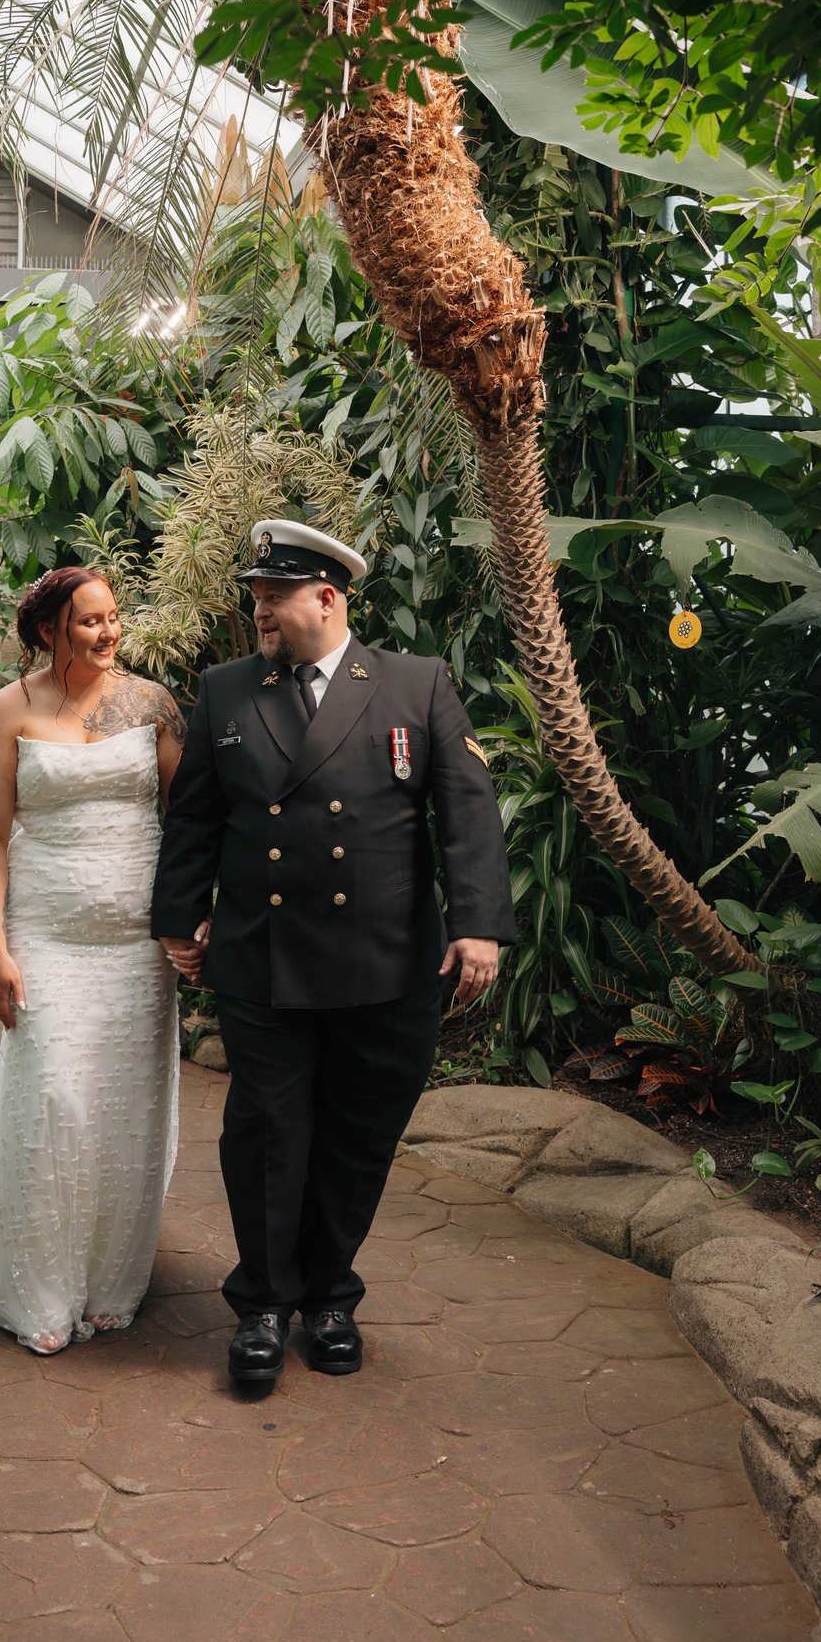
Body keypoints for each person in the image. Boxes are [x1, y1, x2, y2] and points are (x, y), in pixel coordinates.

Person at [151, 518, 516, 1389]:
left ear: (327, 597)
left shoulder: (414, 683)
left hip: (387, 960)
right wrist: (177, 917)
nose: (259, 610)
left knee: (359, 1135)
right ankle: (262, 1306)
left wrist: (477, 924)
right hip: (264, 957)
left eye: (274, 595)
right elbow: (196, 816)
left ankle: (329, 1298)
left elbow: (466, 810)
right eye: (255, 595)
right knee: (267, 1134)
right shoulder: (227, 690)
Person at [0, 566, 187, 1354]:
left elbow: (190, 818)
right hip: (48, 938)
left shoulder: (152, 705)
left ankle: (111, 1280)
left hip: (137, 949)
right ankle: (40, 1286)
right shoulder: (9, 711)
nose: (108, 632)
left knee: (123, 1109)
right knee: (57, 1101)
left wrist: (189, 920)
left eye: (114, 617)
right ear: (48, 631)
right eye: (90, 621)